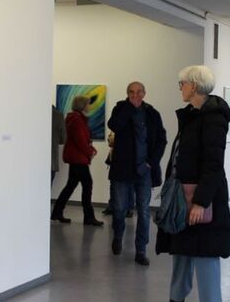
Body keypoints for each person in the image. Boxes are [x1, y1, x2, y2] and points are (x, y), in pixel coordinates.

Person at [145, 65, 230, 302]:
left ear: (194, 85)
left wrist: (201, 203)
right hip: (183, 196)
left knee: (205, 255)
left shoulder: (213, 117)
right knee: (181, 251)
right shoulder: (192, 116)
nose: (180, 87)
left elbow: (214, 164)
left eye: (181, 83)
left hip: (202, 197)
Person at [108, 81, 167, 266]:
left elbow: (161, 140)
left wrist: (152, 162)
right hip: (122, 170)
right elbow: (114, 125)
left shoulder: (152, 113)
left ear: (144, 93)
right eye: (131, 92)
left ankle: (141, 250)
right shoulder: (120, 109)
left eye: (138, 92)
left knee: (143, 211)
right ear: (127, 94)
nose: (135, 95)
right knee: (119, 208)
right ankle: (118, 236)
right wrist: (128, 108)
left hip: (144, 170)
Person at [50, 95, 103, 226]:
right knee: (87, 185)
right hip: (78, 159)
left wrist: (90, 149)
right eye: (87, 104)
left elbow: (81, 140)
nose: (89, 106)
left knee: (71, 185)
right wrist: (91, 151)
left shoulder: (75, 119)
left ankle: (57, 212)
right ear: (83, 106)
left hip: (75, 158)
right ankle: (89, 217)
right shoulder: (77, 121)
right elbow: (80, 141)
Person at [51, 105, 66, 184]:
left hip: (32, 161)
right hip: (51, 160)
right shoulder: (58, 115)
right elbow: (63, 139)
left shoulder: (33, 113)